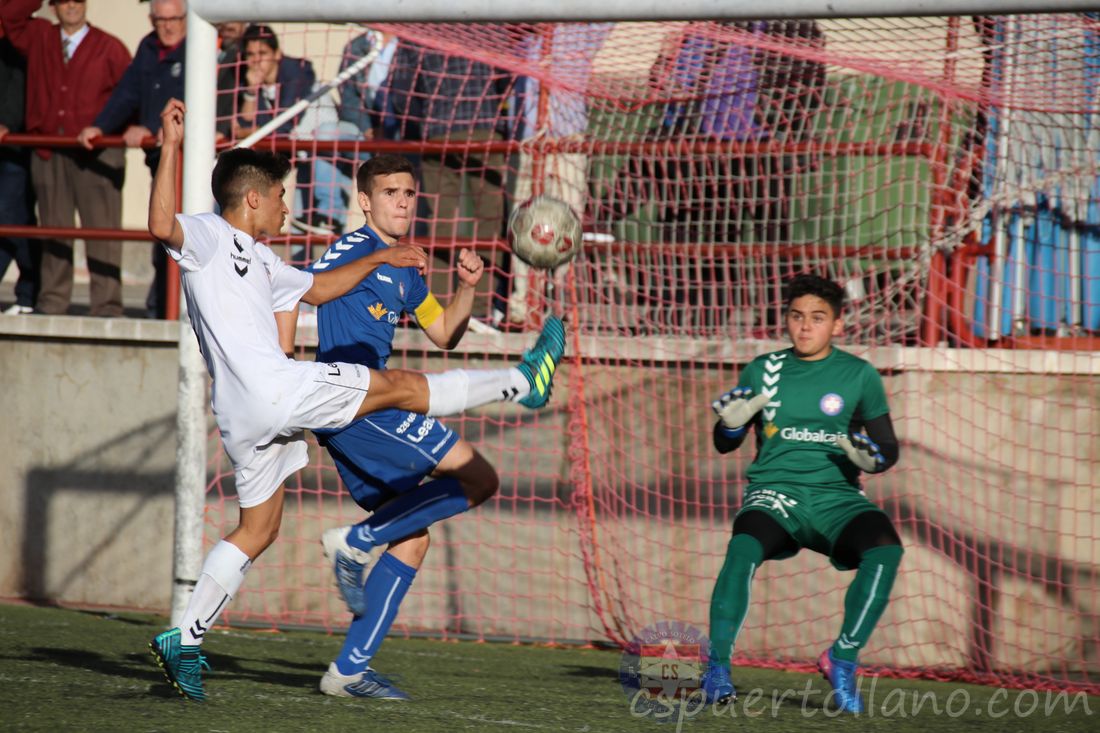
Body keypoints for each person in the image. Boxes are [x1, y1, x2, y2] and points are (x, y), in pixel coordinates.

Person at [145, 99, 566, 703]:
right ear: (253, 199)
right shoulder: (212, 235)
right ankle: (524, 383)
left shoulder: (266, 260)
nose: (291, 206)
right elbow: (163, 226)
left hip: (245, 410)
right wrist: (170, 148)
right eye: (283, 196)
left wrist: (401, 265)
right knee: (400, 389)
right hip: (281, 389)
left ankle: (185, 638)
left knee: (258, 529)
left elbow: (315, 288)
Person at [288, 154, 508, 699]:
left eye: (409, 194)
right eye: (390, 193)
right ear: (364, 201)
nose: (403, 202)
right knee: (478, 477)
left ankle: (348, 672)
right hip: (355, 405)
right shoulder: (351, 251)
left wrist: (467, 287)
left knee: (411, 539)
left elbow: (444, 334)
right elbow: (304, 290)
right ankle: (355, 541)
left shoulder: (405, 266)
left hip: (374, 408)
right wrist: (283, 361)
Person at [700, 273, 903, 714]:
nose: (805, 327)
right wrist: (731, 425)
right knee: (742, 549)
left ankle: (842, 658)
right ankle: (716, 667)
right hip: (776, 495)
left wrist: (873, 459)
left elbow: (888, 447)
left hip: (837, 499)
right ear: (786, 321)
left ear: (838, 325)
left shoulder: (859, 374)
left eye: (817, 318)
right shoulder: (764, 369)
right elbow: (723, 443)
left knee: (886, 549)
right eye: (796, 317)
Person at [1, 0, 130, 317]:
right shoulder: (40, 36)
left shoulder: (109, 47)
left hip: (96, 153)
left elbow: (129, 94)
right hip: (50, 150)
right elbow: (9, 16)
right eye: (63, 0)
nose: (71, 6)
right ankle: (53, 302)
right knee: (54, 231)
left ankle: (107, 307)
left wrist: (113, 129)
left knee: (102, 230)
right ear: (53, 6)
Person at [78, 0, 187, 319]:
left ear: (186, 19)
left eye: (175, 19)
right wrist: (102, 125)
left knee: (188, 240)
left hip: (194, 164)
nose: (167, 26)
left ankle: (176, 311)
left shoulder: (202, 50)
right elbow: (128, 94)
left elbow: (199, 105)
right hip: (162, 163)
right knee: (163, 237)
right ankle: (161, 309)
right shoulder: (149, 47)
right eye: (160, 20)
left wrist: (152, 130)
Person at [0, 11, 37, 315]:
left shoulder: (22, 43)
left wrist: (7, 123)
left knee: (12, 217)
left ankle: (28, 291)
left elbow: (19, 93)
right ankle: (28, 292)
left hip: (16, 148)